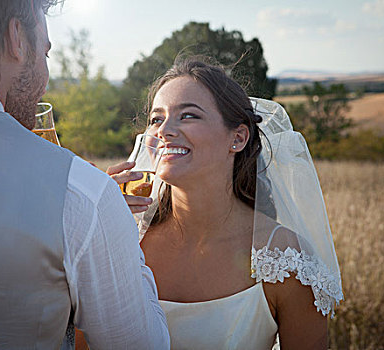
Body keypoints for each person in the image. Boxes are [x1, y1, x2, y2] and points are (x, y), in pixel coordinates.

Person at [0, 1, 169, 349]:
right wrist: (112, 224)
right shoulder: (80, 193)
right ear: (17, 39)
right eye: (46, 52)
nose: (45, 76)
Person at [106, 57, 344, 350]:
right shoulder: (121, 237)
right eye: (157, 119)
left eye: (188, 116)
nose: (164, 131)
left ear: (238, 137)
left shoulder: (286, 261)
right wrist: (90, 223)